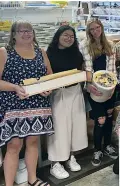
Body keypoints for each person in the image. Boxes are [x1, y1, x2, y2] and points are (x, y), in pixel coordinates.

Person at [0, 20, 53, 186]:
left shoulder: (41, 52)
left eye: (29, 30)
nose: (26, 33)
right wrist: (15, 87)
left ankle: (32, 179)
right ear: (14, 34)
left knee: (32, 142)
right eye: (22, 31)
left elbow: (50, 76)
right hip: (13, 106)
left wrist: (48, 88)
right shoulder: (4, 52)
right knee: (14, 145)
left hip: (37, 104)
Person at [46, 25, 87, 179]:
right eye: (66, 35)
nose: (69, 38)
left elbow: (81, 70)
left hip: (75, 91)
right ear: (58, 36)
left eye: (71, 36)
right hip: (58, 92)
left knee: (76, 125)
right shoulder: (49, 53)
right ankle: (55, 162)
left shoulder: (76, 52)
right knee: (59, 127)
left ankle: (71, 156)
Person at [79, 19, 118, 166]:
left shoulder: (110, 44)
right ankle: (97, 149)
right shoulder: (84, 46)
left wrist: (113, 85)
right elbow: (85, 68)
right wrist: (88, 86)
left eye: (97, 27)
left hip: (109, 86)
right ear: (88, 31)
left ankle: (107, 145)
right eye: (92, 29)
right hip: (94, 88)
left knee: (109, 116)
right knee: (100, 119)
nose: (96, 31)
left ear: (101, 28)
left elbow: (113, 67)